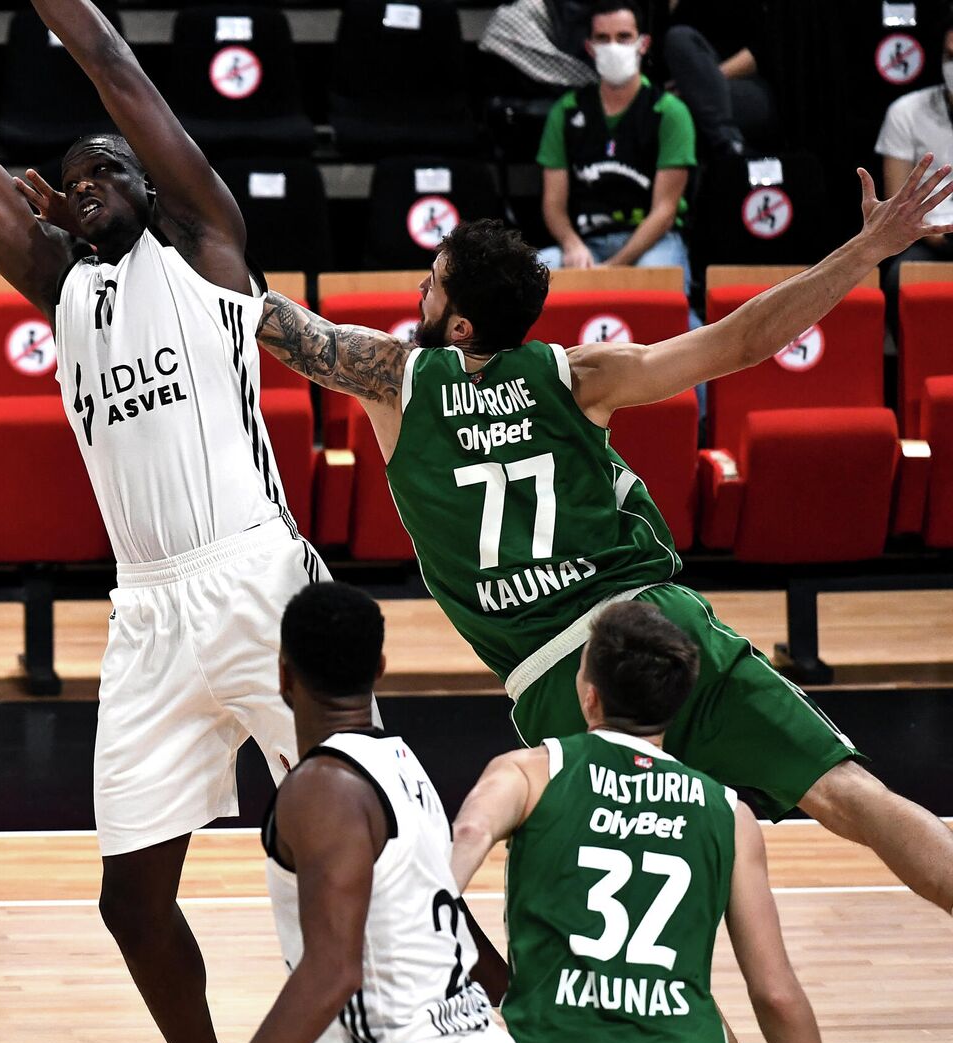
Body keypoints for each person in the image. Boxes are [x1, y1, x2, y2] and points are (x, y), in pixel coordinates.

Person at [252, 156, 953, 918]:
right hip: (658, 619)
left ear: (457, 325)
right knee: (850, 793)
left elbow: (285, 328)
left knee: (617, 929)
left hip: (564, 674)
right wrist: (865, 252)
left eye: (433, 279)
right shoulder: (580, 375)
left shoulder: (396, 382)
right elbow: (743, 342)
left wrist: (186, 248)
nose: (420, 286)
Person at [0, 1, 366, 1043]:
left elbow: (111, 62)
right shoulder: (64, 289)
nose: (85, 184)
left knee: (349, 850)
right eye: (71, 181)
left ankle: (438, 1038)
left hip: (261, 582)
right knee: (129, 899)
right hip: (149, 610)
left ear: (155, 185)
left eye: (107, 169)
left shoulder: (207, 250)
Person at [450, 601, 830, 1043]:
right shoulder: (729, 814)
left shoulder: (531, 773)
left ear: (589, 697)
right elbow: (775, 993)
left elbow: (468, 833)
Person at [223, 583, 526, 1043]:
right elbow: (450, 918)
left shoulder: (323, 787)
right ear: (379, 668)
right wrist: (524, 1011)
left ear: (282, 675)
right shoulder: (403, 765)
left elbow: (332, 973)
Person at [537, 0, 696, 295]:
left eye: (623, 37)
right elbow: (553, 204)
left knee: (660, 290)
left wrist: (614, 267)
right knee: (525, 275)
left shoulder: (669, 112)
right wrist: (572, 244)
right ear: (590, 47)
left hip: (651, 241)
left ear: (643, 44)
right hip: (586, 241)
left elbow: (665, 210)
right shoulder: (566, 111)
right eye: (603, 38)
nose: (613, 46)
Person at [877, 26, 953, 300]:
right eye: (949, 57)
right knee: (901, 274)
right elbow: (897, 206)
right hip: (931, 238)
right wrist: (936, 235)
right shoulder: (905, 111)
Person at [662, 0, 775, 158]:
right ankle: (730, 145)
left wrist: (700, 81)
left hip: (743, 89)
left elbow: (760, 53)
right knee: (679, 39)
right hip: (680, 96)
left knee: (678, 36)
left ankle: (728, 143)